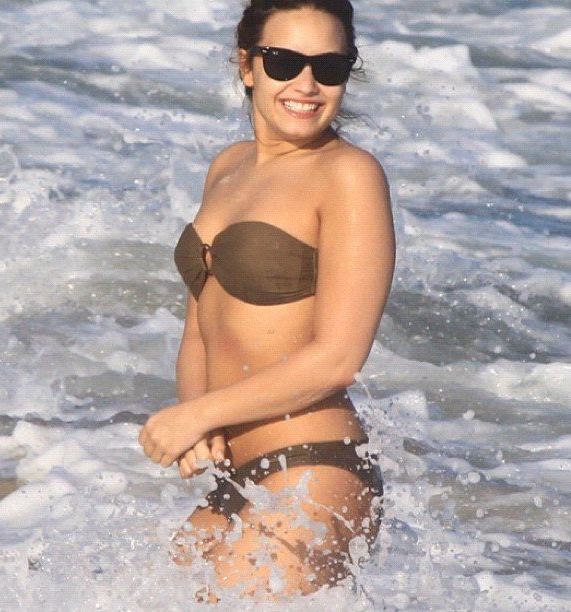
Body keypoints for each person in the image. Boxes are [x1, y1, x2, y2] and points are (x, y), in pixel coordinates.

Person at [138, 0, 395, 599]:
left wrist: (198, 415)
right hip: (235, 479)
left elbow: (339, 359)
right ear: (247, 65)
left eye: (328, 67)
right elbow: (201, 326)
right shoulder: (227, 167)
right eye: (283, 61)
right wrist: (198, 415)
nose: (306, 84)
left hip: (313, 466)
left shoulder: (349, 174)